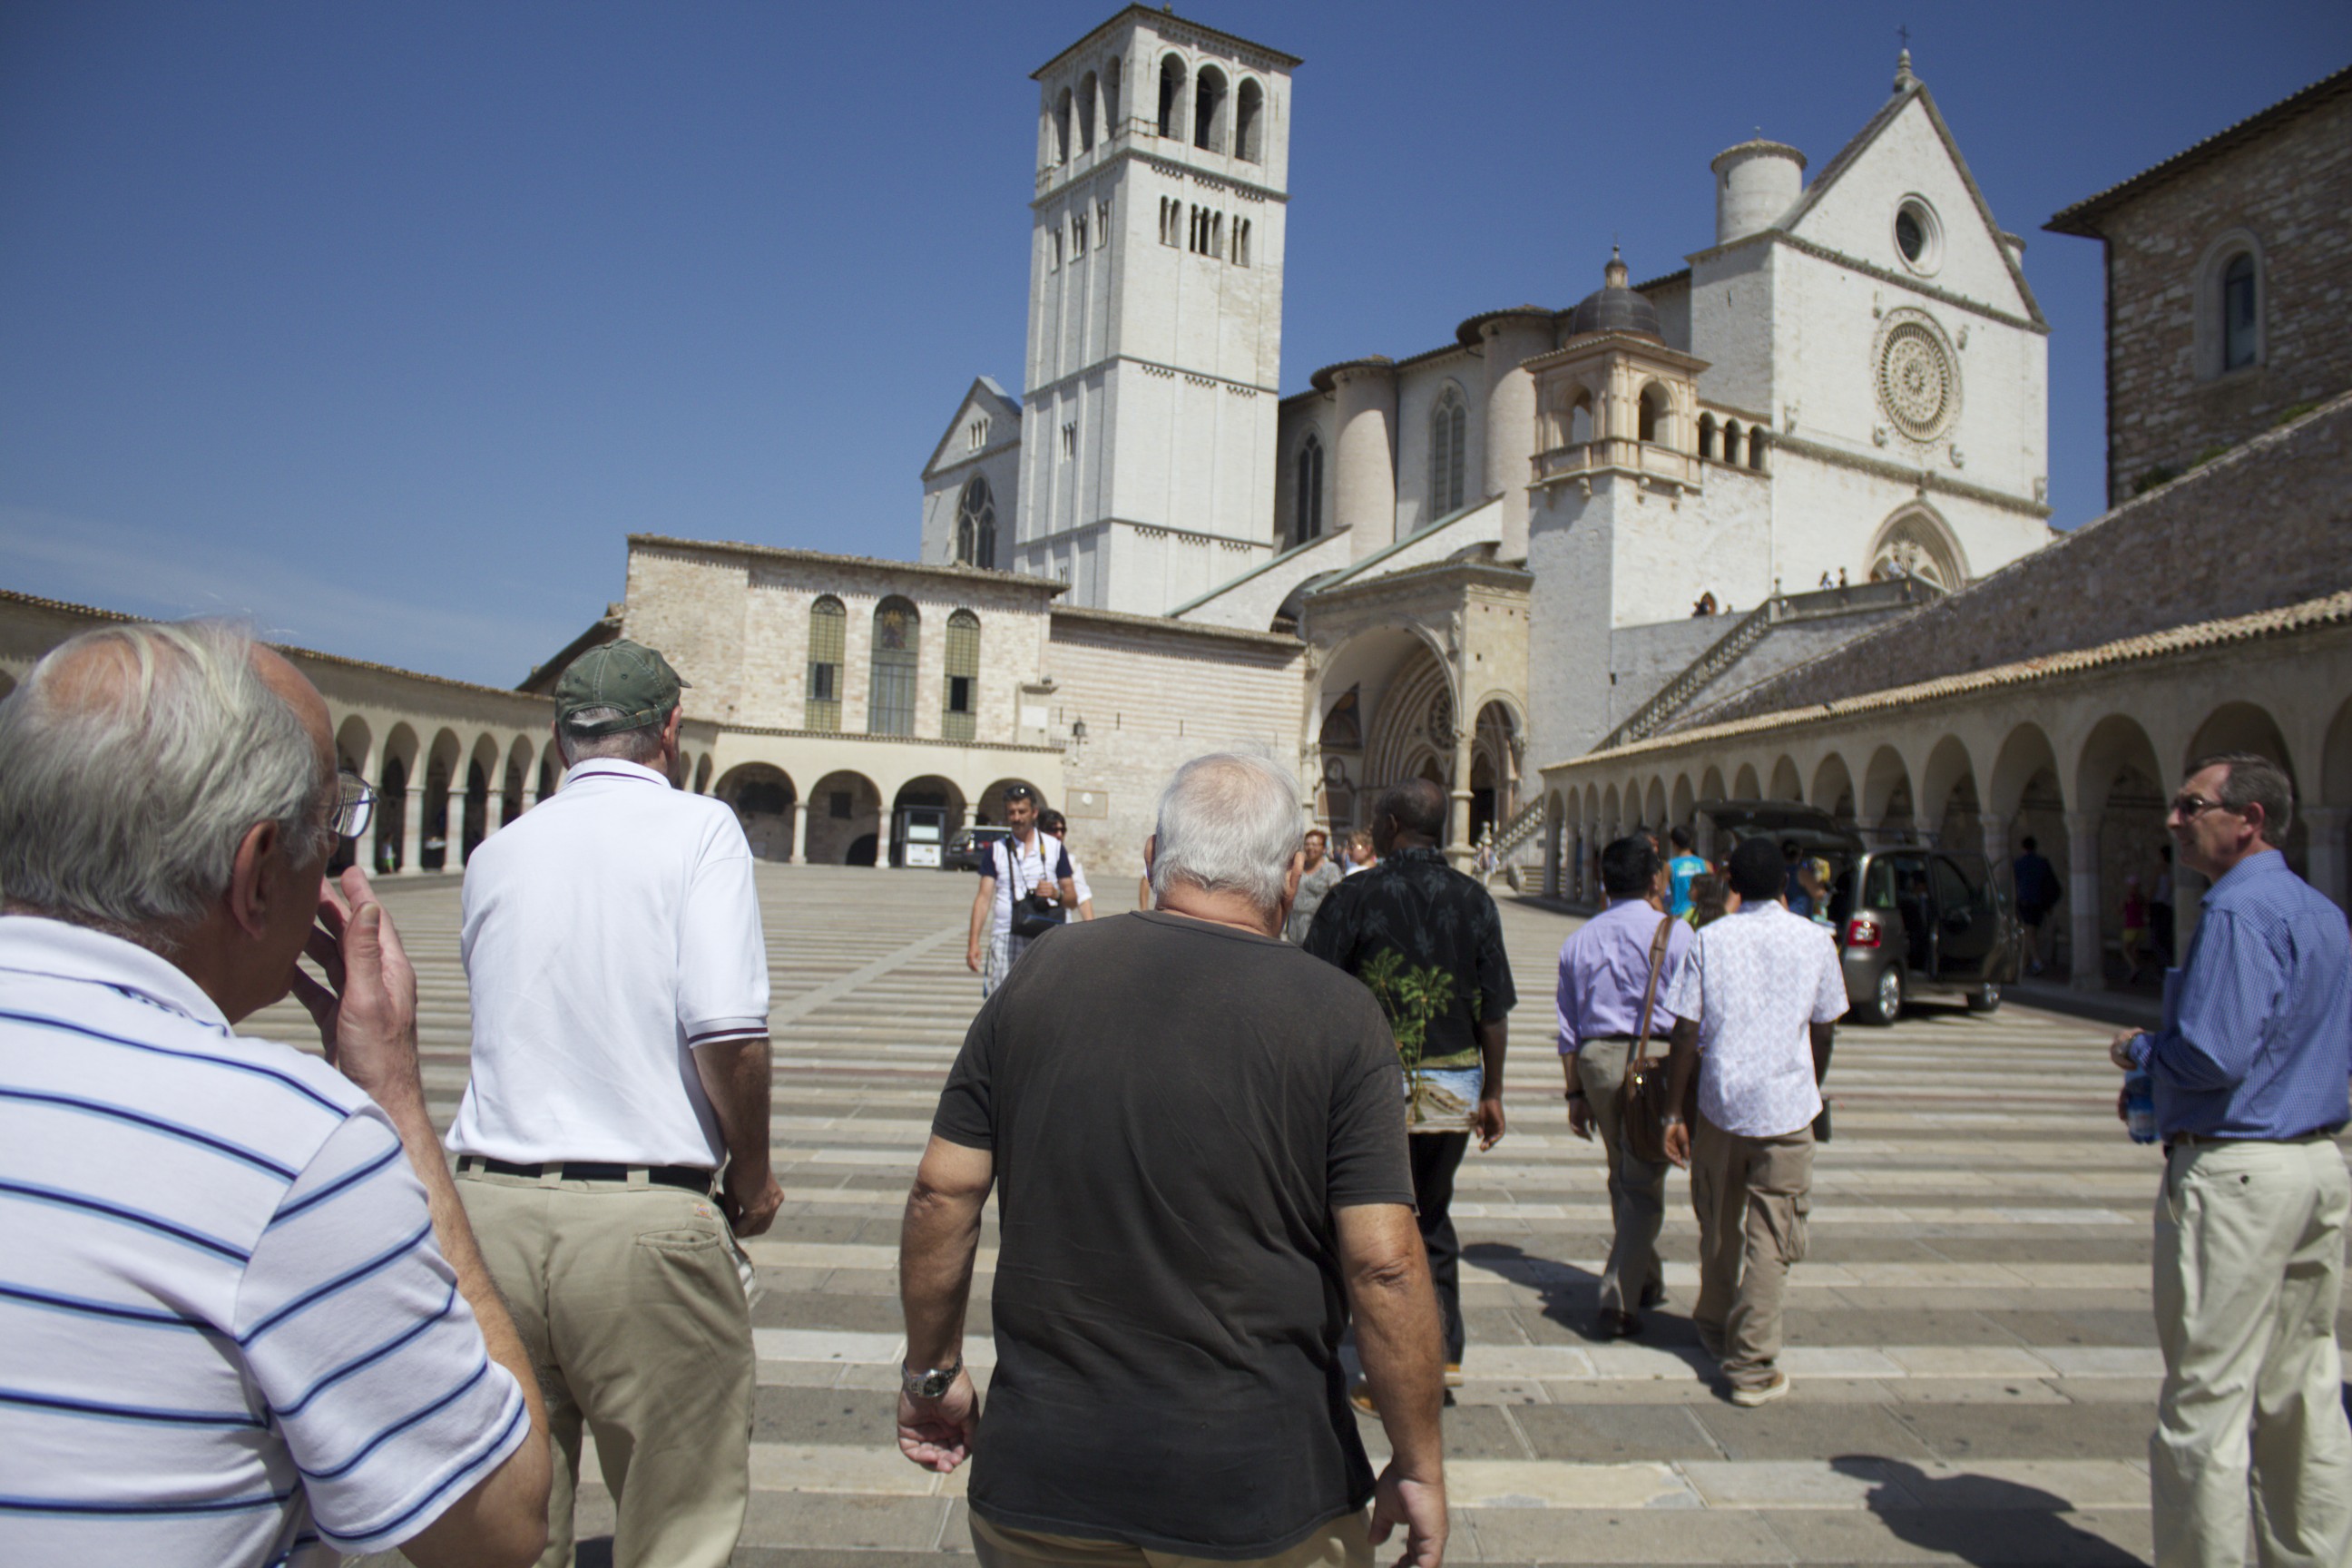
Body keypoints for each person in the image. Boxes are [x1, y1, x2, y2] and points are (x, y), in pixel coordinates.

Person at [0, 621, 550, 1567]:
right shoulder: (284, 1145)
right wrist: (393, 1101)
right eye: (329, 837)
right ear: (256, 875)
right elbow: (498, 1526)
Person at [897, 754, 1447, 1568]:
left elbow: (941, 1193)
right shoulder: (1341, 1015)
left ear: (1154, 858)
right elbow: (1386, 1265)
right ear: (1292, 876)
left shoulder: (1044, 971)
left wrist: (932, 1376)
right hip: (1260, 1494)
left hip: (1044, 1482)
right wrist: (1418, 1461)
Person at [449, 638, 779, 1568]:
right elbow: (726, 1031)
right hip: (641, 1220)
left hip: (487, 1215)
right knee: (675, 1529)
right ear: (670, 730)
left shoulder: (496, 853)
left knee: (509, 1526)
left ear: (561, 738)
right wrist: (752, 1177)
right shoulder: (700, 827)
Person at [2106, 753, 2350, 1568]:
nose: (2174, 820)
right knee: (2304, 1390)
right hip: (2316, 1164)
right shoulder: (2322, 913)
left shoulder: (2238, 913)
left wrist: (2142, 1051)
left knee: (2206, 1400)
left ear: (2249, 820)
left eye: (2192, 805)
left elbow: (2214, 1054)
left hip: (2239, 1175)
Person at [1306, 778, 1514, 1399]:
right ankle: (1444, 1354)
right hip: (1454, 1088)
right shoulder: (1475, 899)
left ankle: (1387, 1371)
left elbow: (1316, 992)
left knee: (1373, 1226)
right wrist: (1493, 1092)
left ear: (1392, 825)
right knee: (1432, 1218)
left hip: (1373, 1091)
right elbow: (1493, 1009)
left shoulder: (1353, 896)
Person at [1660, 837, 1845, 1407]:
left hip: (1722, 1104)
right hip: (1786, 1107)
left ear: (1732, 885)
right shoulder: (1816, 940)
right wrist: (1810, 1085)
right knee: (1773, 1236)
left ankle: (1715, 1324)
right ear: (1784, 884)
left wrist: (1674, 1110)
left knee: (1719, 1222)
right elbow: (1824, 1028)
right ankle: (1752, 1363)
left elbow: (1685, 1031)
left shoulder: (1709, 939)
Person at [1556, 836, 1693, 1338]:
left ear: (1604, 881)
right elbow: (1692, 1014)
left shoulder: (1580, 940)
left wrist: (1574, 1093)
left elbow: (1568, 1027)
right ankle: (1618, 1299)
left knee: (1623, 1171)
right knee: (1643, 1183)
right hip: (1652, 1064)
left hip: (1596, 1062)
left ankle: (1645, 1278)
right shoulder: (1676, 934)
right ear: (1655, 879)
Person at [966, 784, 1077, 994]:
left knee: (1044, 996)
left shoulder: (1054, 848)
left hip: (1046, 935)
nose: (1016, 818)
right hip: (1006, 934)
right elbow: (983, 898)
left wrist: (1056, 894)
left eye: (1021, 812)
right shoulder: (997, 850)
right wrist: (973, 942)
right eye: (1011, 812)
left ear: (1034, 812)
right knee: (1002, 998)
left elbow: (1072, 898)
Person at [2013, 835, 2063, 975]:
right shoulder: (2042, 863)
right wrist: (2048, 904)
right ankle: (2023, 965)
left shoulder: (2019, 863)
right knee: (2029, 933)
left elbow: (2015, 884)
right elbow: (2052, 884)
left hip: (2026, 903)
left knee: (2028, 933)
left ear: (2023, 848)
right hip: (2039, 904)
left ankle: (2037, 961)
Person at [1287, 825, 1345, 943]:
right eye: (1307, 844)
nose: (1310, 848)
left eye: (1315, 844)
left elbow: (1338, 899)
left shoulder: (1331, 869)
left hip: (1318, 928)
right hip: (1294, 927)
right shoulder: (1298, 868)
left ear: (1324, 849)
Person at [1036, 809, 1096, 919]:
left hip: (1058, 923)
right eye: (1053, 830)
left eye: (1062, 830)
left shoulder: (1070, 861)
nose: (1059, 834)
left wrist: (1092, 930)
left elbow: (1083, 899)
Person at [1665, 827, 1708, 921]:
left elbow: (1661, 893)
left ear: (1673, 844)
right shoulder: (1706, 864)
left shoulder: (1669, 866)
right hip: (1701, 915)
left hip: (1679, 917)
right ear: (1691, 841)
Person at [2120, 875, 2152, 982]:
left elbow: (2120, 909)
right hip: (2140, 925)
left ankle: (2134, 967)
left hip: (2130, 926)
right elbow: (2146, 909)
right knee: (2134, 949)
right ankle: (2133, 973)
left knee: (2125, 949)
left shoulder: (2129, 897)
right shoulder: (2141, 897)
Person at [2151, 843, 2177, 965]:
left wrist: (2148, 900)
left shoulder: (2161, 869)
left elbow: (2154, 886)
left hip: (2160, 904)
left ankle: (2164, 964)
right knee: (2166, 935)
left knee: (2158, 937)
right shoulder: (2174, 869)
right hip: (2169, 905)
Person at [1780, 839, 1815, 920]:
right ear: (1799, 854)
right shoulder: (1803, 873)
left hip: (1782, 919)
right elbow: (1819, 894)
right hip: (1800, 920)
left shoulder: (1777, 873)